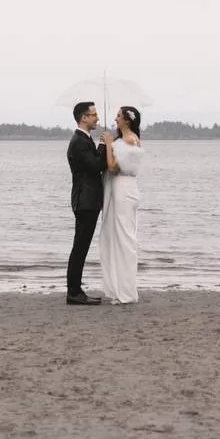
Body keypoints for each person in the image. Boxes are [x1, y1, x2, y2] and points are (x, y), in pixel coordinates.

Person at [99, 105, 146, 304]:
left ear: (127, 120)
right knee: (115, 237)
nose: (115, 118)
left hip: (124, 191)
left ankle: (126, 291)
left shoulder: (130, 140)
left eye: (118, 116)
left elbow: (113, 167)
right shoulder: (124, 140)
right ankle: (118, 288)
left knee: (125, 238)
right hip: (120, 190)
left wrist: (109, 144)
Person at [65, 101, 108, 305]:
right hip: (85, 200)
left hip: (87, 200)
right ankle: (73, 292)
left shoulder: (83, 139)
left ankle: (75, 289)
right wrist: (103, 144)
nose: (97, 118)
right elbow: (96, 166)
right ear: (83, 117)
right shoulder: (79, 141)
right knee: (80, 247)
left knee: (80, 246)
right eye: (93, 114)